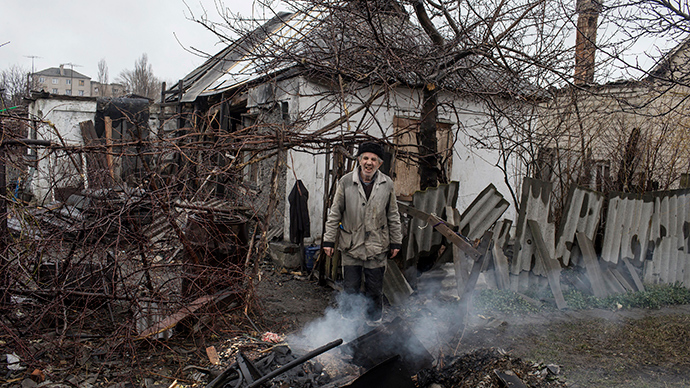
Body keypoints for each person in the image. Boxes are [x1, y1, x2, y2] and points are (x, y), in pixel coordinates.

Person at [322, 141, 402, 324]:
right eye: (365, 158)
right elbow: (335, 213)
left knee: (375, 290)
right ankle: (347, 329)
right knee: (350, 290)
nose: (369, 162)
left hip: (377, 247)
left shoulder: (386, 184)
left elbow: (393, 215)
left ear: (379, 163)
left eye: (374, 159)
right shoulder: (346, 182)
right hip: (352, 246)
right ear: (359, 160)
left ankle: (373, 328)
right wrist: (328, 240)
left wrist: (396, 242)